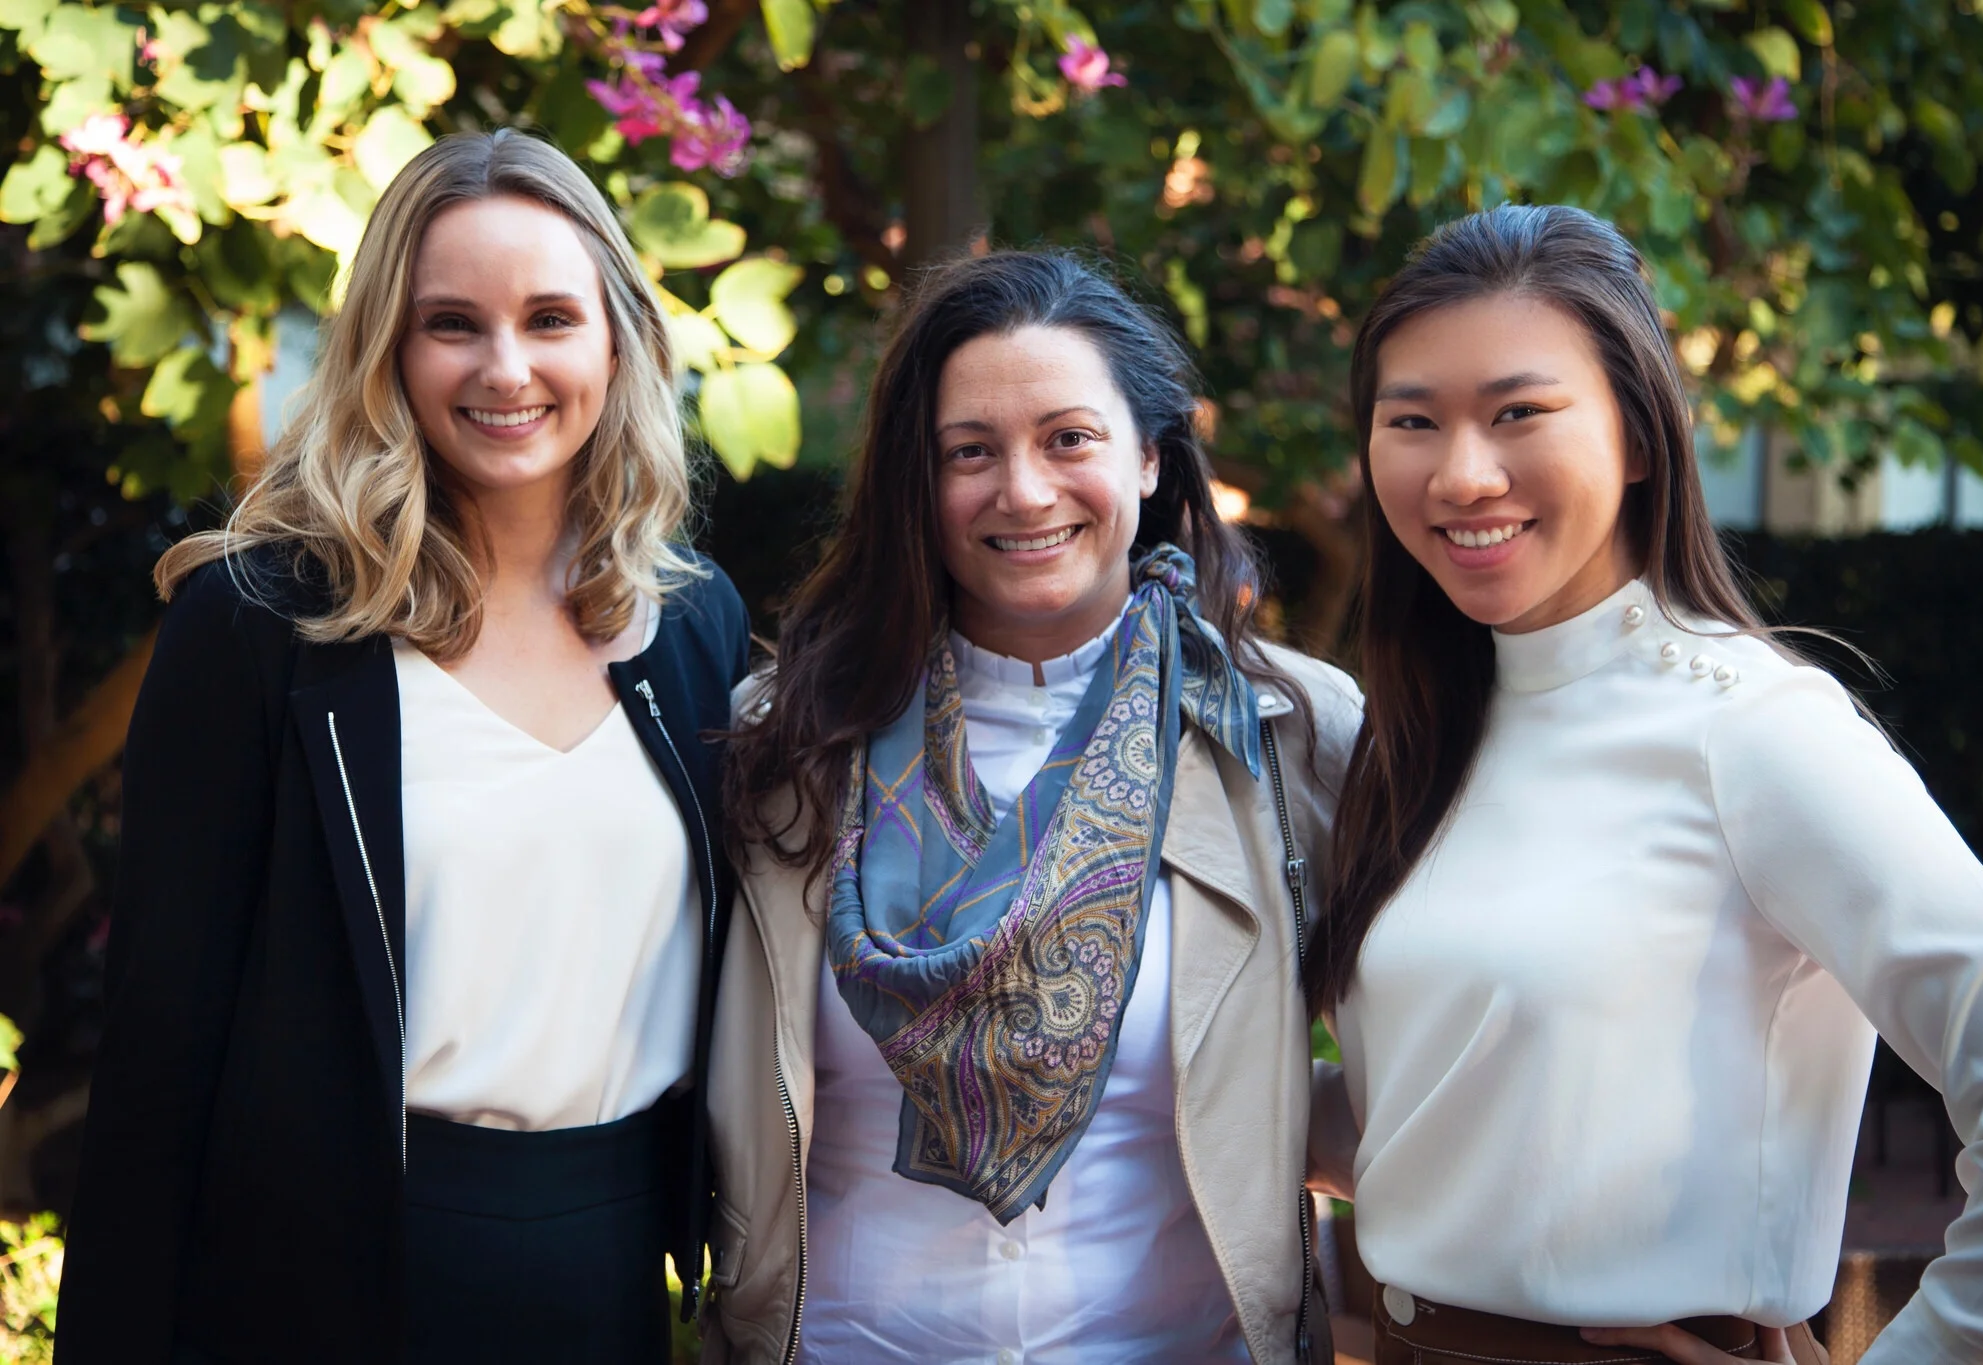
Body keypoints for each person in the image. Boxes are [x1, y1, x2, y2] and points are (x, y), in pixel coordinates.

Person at [57, 129, 749, 1365]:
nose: (506, 368)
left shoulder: (692, 623)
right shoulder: (264, 630)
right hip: (312, 1283)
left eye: (549, 317)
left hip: (607, 1271)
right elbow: (158, 1064)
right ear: (388, 345)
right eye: (452, 324)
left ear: (615, 337)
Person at [1314, 203, 1983, 1365]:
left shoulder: (1749, 730)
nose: (1459, 473)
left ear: (1641, 436)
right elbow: (1448, 1111)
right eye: (1411, 420)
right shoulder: (1415, 736)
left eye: (1517, 412)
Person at [706, 250, 1363, 1365]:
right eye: (970, 451)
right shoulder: (786, 737)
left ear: (1150, 456)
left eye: (1069, 438)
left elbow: (1413, 1062)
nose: (1021, 489)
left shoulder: (1289, 732)